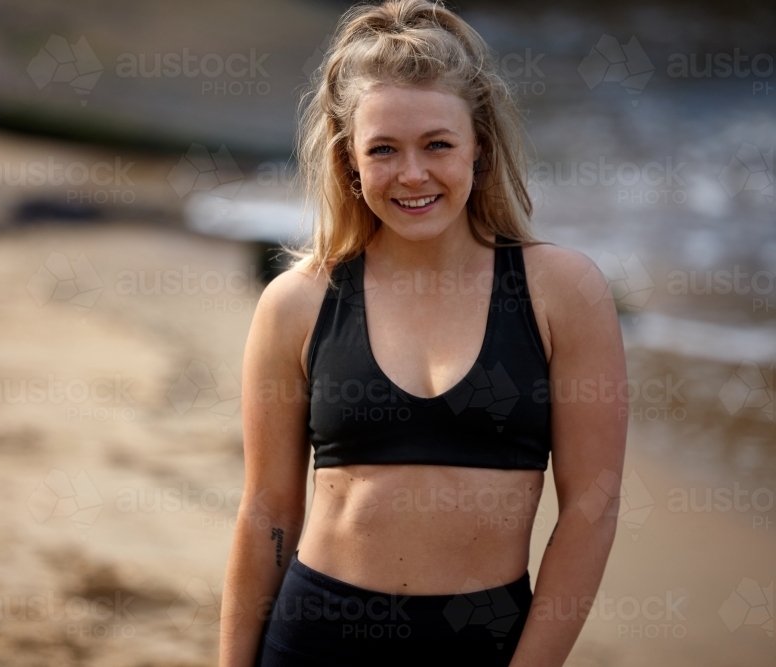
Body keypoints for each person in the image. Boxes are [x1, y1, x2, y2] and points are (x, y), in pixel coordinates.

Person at [220, 1, 627, 665]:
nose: (413, 174)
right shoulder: (297, 303)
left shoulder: (564, 292)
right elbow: (266, 510)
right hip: (315, 637)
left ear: (480, 147)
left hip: (484, 642)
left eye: (437, 144)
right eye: (383, 149)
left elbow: (591, 507)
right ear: (350, 162)